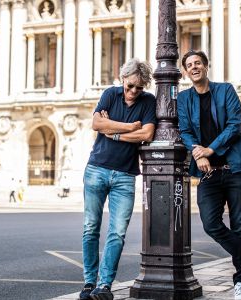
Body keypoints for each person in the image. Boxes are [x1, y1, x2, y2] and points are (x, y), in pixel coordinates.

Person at [177, 50, 241, 300]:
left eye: (198, 63)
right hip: (209, 173)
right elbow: (185, 130)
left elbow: (234, 125)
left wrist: (210, 149)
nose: (194, 67)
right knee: (211, 224)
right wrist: (199, 154)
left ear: (206, 67)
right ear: (186, 72)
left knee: (240, 226)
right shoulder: (184, 98)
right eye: (189, 65)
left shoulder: (226, 90)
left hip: (236, 169)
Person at [79, 58, 156, 300]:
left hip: (125, 175)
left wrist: (113, 133)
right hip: (96, 169)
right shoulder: (110, 94)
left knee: (117, 233)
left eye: (139, 88)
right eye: (130, 85)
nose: (134, 91)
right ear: (123, 79)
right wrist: (129, 127)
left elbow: (147, 133)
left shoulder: (148, 101)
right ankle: (89, 283)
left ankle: (104, 286)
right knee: (90, 228)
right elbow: (96, 123)